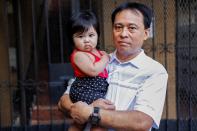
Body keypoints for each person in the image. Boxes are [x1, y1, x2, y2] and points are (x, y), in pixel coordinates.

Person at [58, 2, 168, 131]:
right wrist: (74, 110)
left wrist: (90, 112)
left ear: (145, 33)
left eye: (132, 28)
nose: (123, 34)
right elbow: (63, 100)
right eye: (118, 27)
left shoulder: (154, 71)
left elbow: (142, 121)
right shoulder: (98, 61)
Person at [66, 10, 110, 131]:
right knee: (95, 118)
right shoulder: (79, 55)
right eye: (80, 36)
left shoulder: (95, 52)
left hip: (95, 88)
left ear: (97, 35)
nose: (86, 40)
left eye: (91, 35)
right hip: (85, 89)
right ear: (72, 39)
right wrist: (105, 58)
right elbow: (93, 70)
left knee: (86, 121)